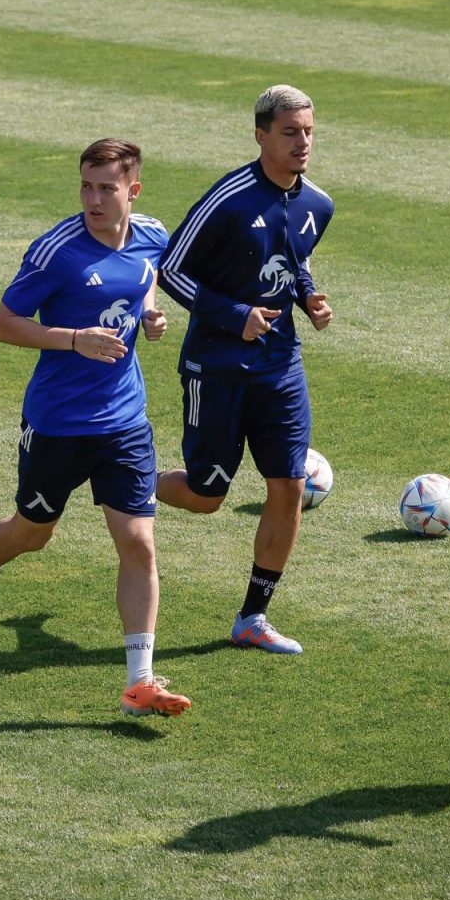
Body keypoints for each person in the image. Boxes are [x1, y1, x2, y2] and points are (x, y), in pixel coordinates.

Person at [0, 139, 189, 718]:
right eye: (86, 186)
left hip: (124, 420)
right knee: (33, 533)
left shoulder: (152, 234)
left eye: (107, 188)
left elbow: (147, 273)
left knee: (138, 542)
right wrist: (74, 339)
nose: (93, 199)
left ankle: (140, 681)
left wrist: (148, 312)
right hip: (57, 422)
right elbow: (5, 324)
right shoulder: (56, 250)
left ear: (133, 190)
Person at [155, 84, 333, 655]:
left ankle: (253, 617)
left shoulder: (318, 204)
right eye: (290, 132)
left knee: (289, 485)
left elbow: (293, 259)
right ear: (261, 136)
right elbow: (170, 269)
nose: (302, 142)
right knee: (206, 494)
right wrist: (237, 317)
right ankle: (120, 478)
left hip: (280, 365)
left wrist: (307, 296)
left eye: (308, 131)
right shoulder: (229, 199)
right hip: (217, 368)